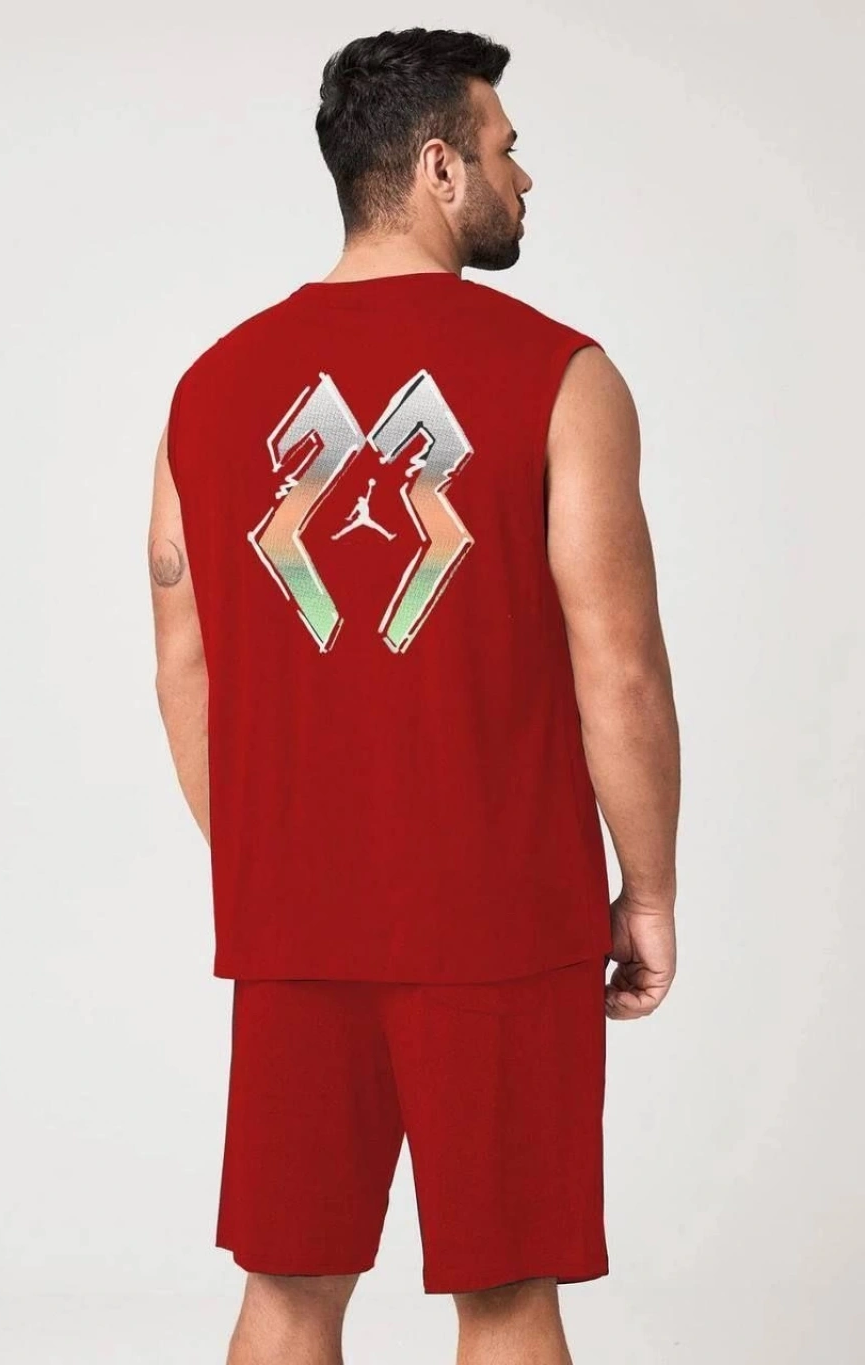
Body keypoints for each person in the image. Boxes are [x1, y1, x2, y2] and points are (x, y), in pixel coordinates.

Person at [148, 26, 679, 1365]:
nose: (524, 178)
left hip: (293, 918)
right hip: (502, 914)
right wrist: (649, 888)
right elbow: (618, 663)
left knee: (287, 1290)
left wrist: (272, 861)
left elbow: (184, 658)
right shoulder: (563, 377)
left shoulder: (207, 389)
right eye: (506, 149)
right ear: (440, 167)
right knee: (506, 1298)